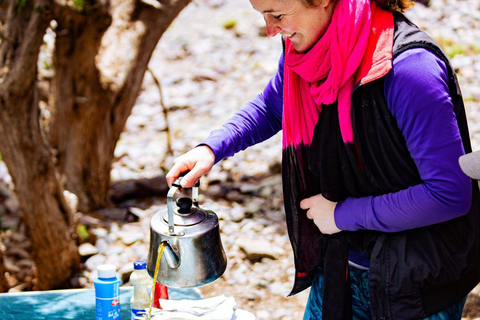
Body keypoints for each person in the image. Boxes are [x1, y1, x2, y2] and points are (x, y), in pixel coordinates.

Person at [166, 0, 480, 319]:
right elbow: (274, 105)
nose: (270, 30)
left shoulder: (410, 70)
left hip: (419, 279)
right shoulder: (307, 50)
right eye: (261, 15)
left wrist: (343, 214)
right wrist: (212, 149)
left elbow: (448, 194)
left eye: (277, 15)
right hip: (341, 261)